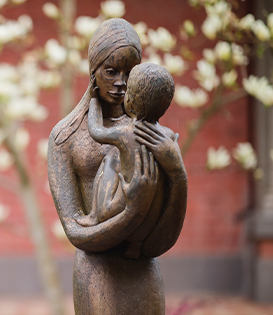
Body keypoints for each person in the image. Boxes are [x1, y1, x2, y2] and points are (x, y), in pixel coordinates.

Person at [47, 18, 187, 314]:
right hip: (97, 270)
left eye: (129, 72)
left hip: (143, 269)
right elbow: (75, 232)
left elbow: (160, 240)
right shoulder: (65, 136)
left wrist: (177, 175)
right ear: (93, 70)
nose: (121, 82)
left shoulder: (152, 135)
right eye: (111, 71)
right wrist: (132, 212)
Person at [77, 62, 177, 260]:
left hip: (114, 211)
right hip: (147, 226)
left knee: (111, 156)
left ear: (130, 99)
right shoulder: (168, 136)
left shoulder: (126, 133)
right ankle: (135, 246)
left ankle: (93, 216)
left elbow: (96, 131)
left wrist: (94, 101)